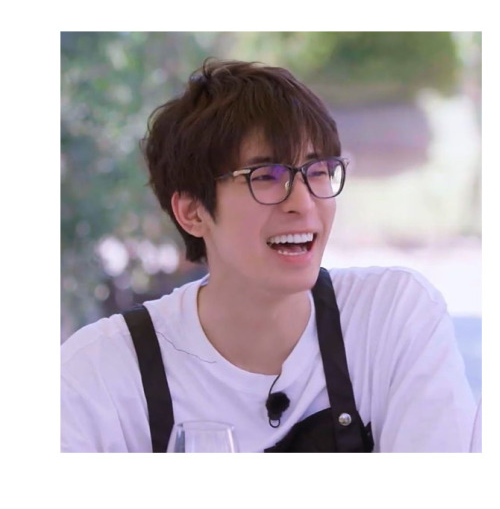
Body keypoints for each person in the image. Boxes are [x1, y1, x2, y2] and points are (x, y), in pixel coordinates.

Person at [61, 59, 477, 452]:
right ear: (192, 212)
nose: (303, 202)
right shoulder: (98, 376)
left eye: (318, 171)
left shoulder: (392, 318)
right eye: (266, 176)